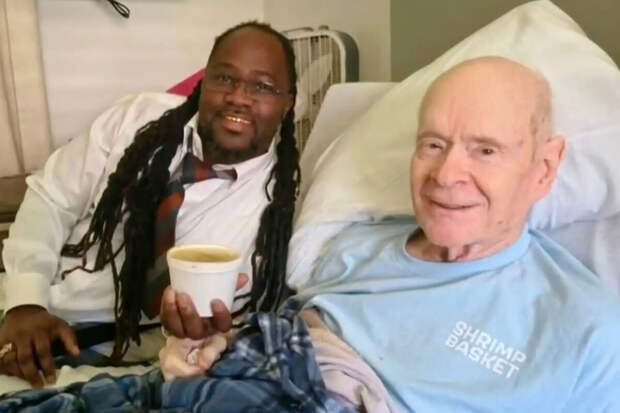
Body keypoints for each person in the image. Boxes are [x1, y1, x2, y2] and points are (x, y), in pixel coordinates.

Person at [160, 56, 620, 411]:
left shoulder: (586, 331)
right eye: (433, 145)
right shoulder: (352, 247)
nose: (446, 174)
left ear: (544, 168)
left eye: (485, 150)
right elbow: (278, 348)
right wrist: (208, 352)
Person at [0, 21, 300, 389]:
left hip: (122, 354)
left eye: (263, 87)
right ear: (203, 82)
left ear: (287, 103)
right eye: (225, 78)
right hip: (29, 307)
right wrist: (25, 302)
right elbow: (51, 198)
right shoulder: (136, 119)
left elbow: (232, 321)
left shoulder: (278, 212)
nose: (238, 97)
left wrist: (198, 335)